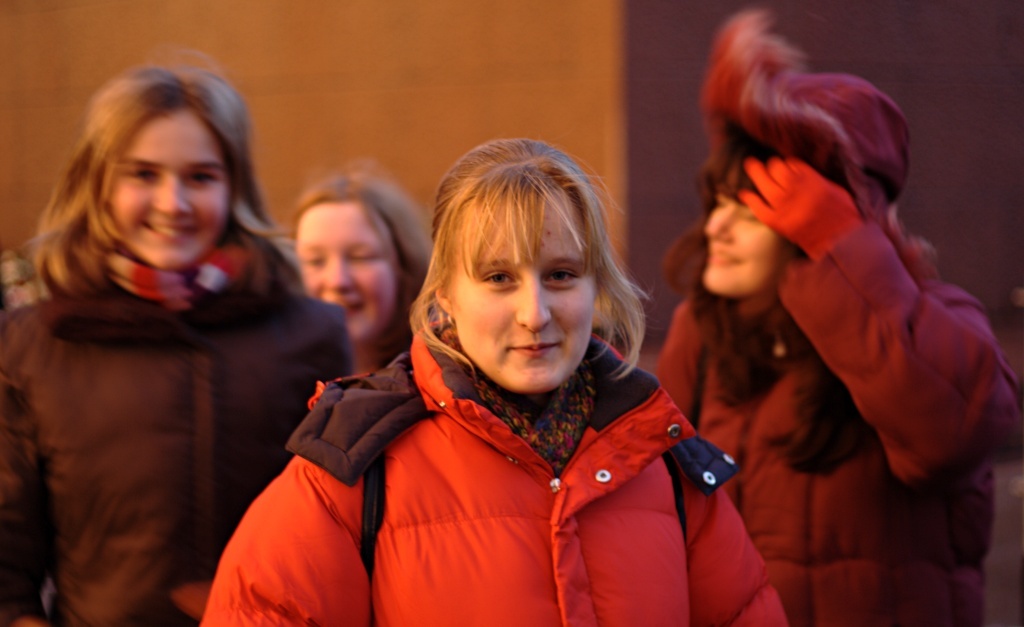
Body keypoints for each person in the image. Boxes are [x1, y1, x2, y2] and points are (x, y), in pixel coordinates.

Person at [201, 137, 788, 625]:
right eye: (499, 277)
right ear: (445, 297)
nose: (535, 313)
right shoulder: (352, 472)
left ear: (596, 288)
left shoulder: (665, 463)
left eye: (560, 275)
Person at [656, 10, 1022, 627]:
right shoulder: (706, 333)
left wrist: (841, 251)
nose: (714, 227)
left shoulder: (940, 322)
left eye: (748, 211)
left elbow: (951, 435)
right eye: (715, 203)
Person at [0, 62, 353, 626]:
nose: (173, 204)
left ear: (233, 185)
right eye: (143, 175)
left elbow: (347, 542)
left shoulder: (311, 334)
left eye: (200, 177)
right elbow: (7, 569)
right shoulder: (31, 346)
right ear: (98, 186)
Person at [292, 164, 431, 374]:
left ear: (404, 266)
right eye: (315, 261)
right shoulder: (276, 384)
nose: (337, 281)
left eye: (360, 258)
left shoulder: (441, 384)